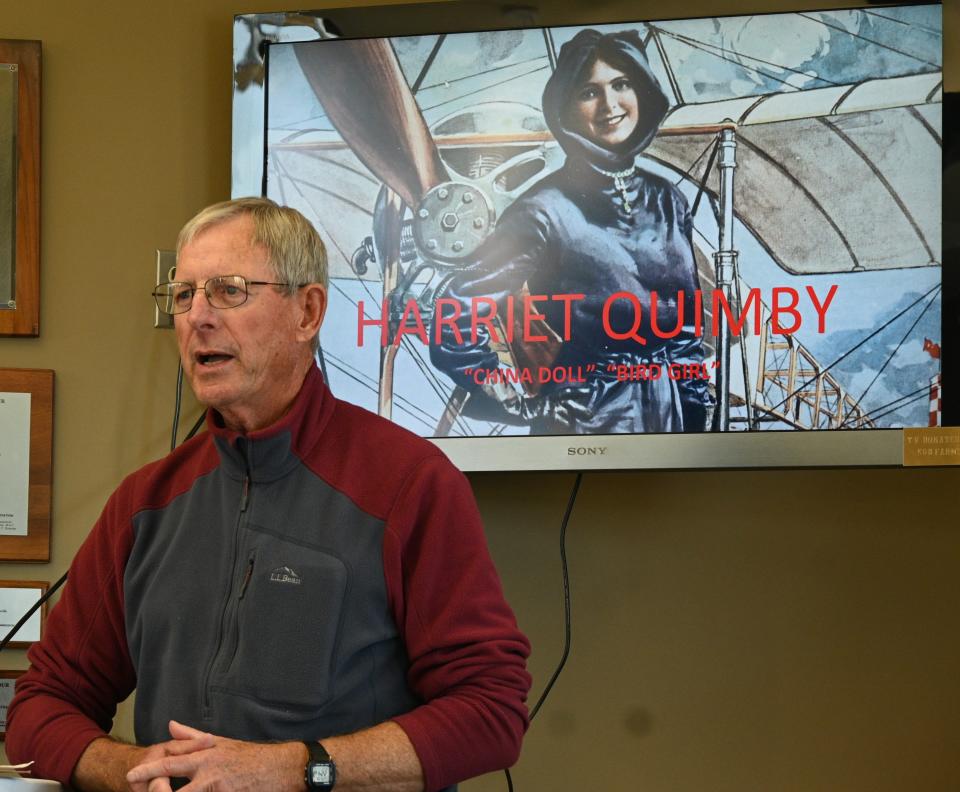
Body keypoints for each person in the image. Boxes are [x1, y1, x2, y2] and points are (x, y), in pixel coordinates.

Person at [7, 198, 531, 791]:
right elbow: (40, 707)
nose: (197, 317)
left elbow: (491, 713)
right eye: (183, 295)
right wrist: (136, 770)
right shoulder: (144, 504)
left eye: (228, 290)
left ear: (307, 311)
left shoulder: (411, 484)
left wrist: (296, 769)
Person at [430, 28, 712, 434]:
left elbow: (684, 335)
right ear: (566, 108)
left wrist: (697, 426)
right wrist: (523, 407)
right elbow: (452, 322)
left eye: (621, 84)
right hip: (583, 432)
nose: (609, 105)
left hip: (667, 427)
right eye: (589, 92)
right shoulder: (542, 209)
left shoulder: (669, 200)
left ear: (643, 93)